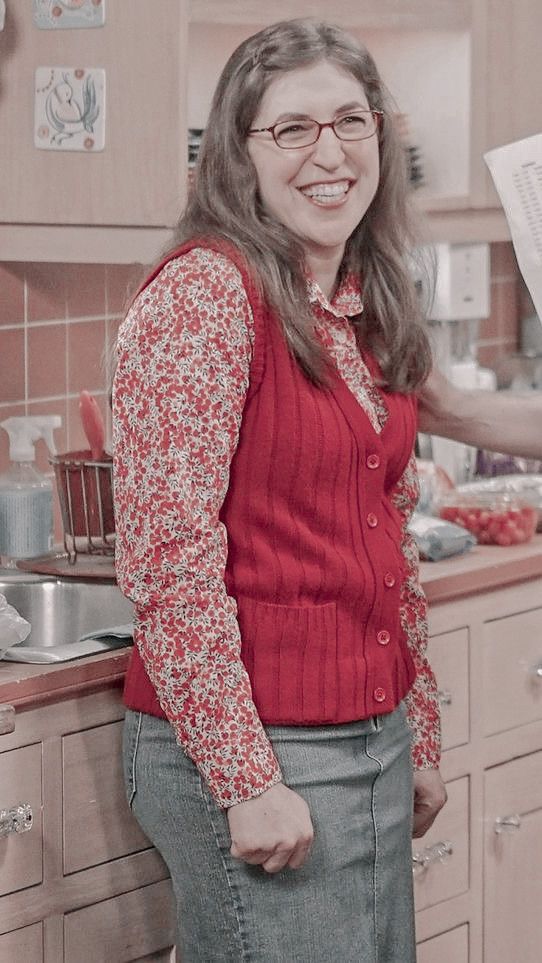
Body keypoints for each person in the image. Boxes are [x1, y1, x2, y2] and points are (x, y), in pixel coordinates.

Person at [111, 17, 542, 963]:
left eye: (352, 121)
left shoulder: (358, 299)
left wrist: (413, 731)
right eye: (293, 130)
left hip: (364, 741)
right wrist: (243, 779)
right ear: (239, 152)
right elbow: (166, 558)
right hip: (263, 748)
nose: (330, 154)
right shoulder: (207, 296)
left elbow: (382, 543)